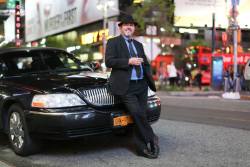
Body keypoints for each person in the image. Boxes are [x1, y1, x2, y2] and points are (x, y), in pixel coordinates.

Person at [105, 15, 159, 159]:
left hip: (141, 85)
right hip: (126, 86)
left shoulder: (138, 44)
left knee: (141, 116)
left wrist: (149, 80)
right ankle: (151, 137)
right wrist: (128, 61)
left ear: (134, 28)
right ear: (121, 27)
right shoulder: (113, 42)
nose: (129, 27)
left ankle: (142, 149)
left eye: (132, 25)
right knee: (137, 114)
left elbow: (145, 63)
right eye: (126, 25)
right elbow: (109, 62)